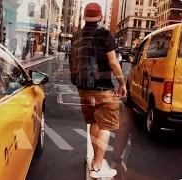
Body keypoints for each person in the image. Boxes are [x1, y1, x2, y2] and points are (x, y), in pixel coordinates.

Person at [71, 2, 127, 179]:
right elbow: (113, 62)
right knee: (105, 126)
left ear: (84, 17)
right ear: (101, 17)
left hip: (83, 88)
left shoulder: (76, 36)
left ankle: (96, 160)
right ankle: (97, 166)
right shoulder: (105, 34)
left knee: (94, 122)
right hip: (102, 88)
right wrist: (122, 82)